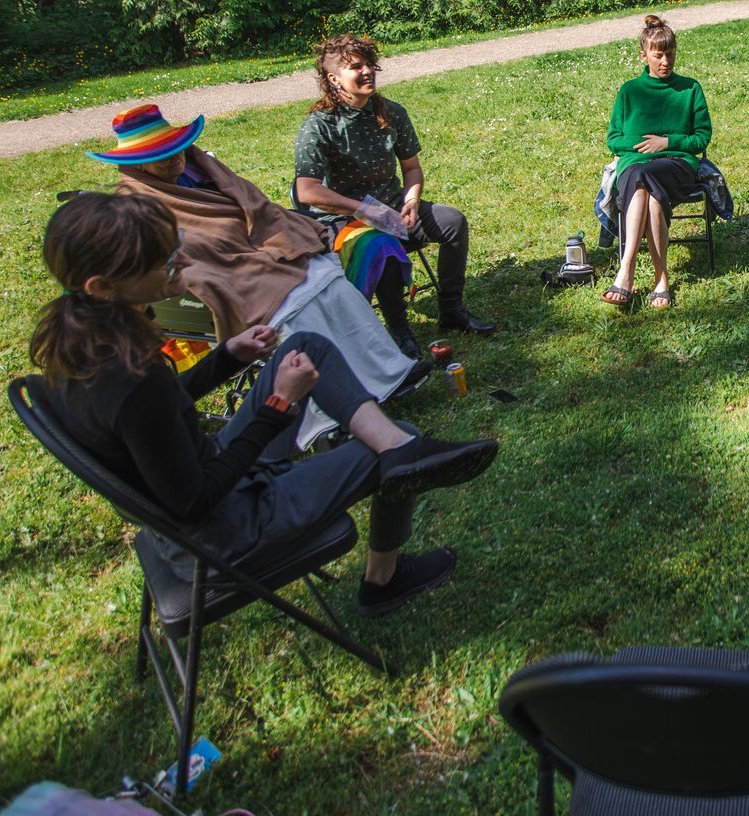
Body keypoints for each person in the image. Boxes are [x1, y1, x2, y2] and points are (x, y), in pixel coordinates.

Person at [28, 193, 498, 615]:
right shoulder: (133, 380)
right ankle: (385, 578)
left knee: (307, 346)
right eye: (164, 261)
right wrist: (277, 405)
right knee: (395, 444)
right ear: (102, 286)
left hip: (206, 495)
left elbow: (158, 414)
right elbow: (195, 501)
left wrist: (228, 356)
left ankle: (397, 450)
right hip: (223, 535)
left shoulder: (84, 343)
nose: (181, 261)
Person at [91, 103, 429, 441]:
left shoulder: (200, 165)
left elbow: (253, 202)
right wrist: (240, 249)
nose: (173, 159)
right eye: (160, 155)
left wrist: (277, 235)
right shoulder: (136, 201)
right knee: (293, 311)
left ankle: (389, 372)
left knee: (329, 283)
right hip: (224, 270)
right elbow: (186, 245)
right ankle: (329, 418)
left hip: (263, 249)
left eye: (174, 149)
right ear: (134, 164)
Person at [293, 34, 496, 359]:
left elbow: (412, 169)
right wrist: (362, 210)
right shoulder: (320, 126)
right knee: (381, 247)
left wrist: (411, 201)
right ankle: (400, 332)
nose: (367, 71)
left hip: (395, 212)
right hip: (346, 223)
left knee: (453, 222)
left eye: (369, 64)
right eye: (355, 67)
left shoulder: (391, 113)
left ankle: (452, 311)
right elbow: (307, 190)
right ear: (334, 79)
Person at [601, 14, 712, 310]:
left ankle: (626, 271)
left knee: (644, 176)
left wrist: (667, 142)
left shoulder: (690, 89)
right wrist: (640, 146)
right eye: (658, 54)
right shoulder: (630, 91)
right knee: (645, 188)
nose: (665, 60)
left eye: (670, 53)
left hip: (676, 163)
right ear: (644, 55)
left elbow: (701, 138)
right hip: (637, 165)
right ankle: (660, 280)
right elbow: (614, 139)